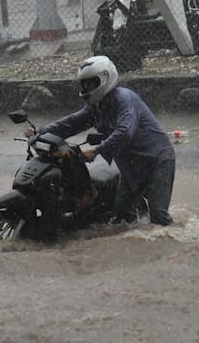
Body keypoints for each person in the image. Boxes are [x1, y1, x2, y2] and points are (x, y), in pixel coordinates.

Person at [25, 55, 176, 226]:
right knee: (123, 215)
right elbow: (71, 124)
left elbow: (124, 132)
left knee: (159, 216)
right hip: (130, 166)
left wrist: (96, 150)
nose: (86, 88)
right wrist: (40, 132)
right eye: (84, 84)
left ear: (105, 79)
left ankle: (179, 242)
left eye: (91, 83)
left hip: (157, 161)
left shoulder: (125, 100)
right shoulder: (97, 107)